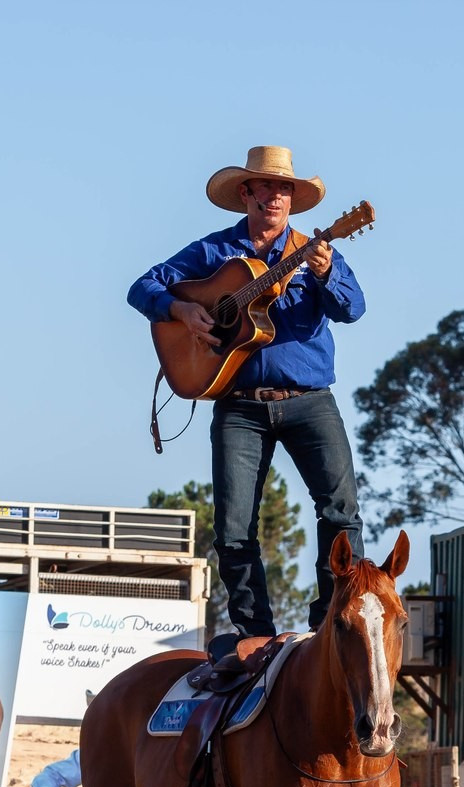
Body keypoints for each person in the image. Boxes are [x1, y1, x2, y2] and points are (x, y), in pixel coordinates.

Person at [128, 144, 366, 646]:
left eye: (285, 189)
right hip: (239, 405)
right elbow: (141, 287)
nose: (276, 197)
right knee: (234, 529)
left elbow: (354, 309)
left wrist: (326, 274)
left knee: (341, 511)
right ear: (246, 193)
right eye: (267, 187)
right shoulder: (213, 252)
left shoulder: (317, 248)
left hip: (309, 400)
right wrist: (180, 311)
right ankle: (254, 633)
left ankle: (332, 619)